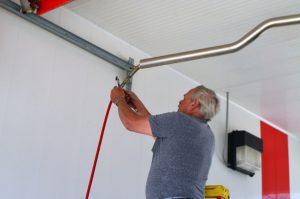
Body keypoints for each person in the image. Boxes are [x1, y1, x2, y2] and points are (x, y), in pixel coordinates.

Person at [110, 85, 220, 199]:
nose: (180, 101)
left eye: (184, 98)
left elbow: (131, 123)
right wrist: (136, 102)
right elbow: (157, 131)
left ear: (194, 104)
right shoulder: (207, 134)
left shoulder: (180, 120)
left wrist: (119, 99)